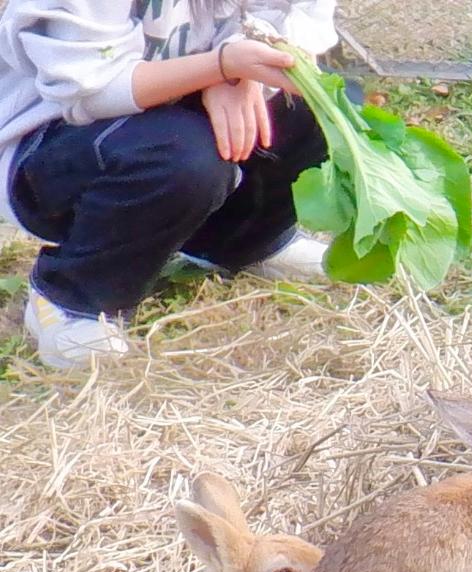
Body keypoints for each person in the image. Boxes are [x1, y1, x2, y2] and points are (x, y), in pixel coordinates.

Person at [0, 1, 339, 370]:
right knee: (183, 157)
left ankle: (242, 239)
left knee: (317, 104)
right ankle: (74, 295)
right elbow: (90, 89)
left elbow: (295, 21)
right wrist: (220, 66)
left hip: (178, 108)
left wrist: (238, 77)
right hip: (52, 138)